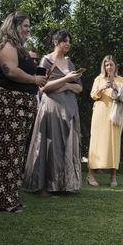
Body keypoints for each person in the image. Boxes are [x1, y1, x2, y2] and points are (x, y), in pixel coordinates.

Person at [0, 13, 45, 212]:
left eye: (30, 26)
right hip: (9, 103)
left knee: (16, 152)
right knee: (6, 150)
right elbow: (10, 70)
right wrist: (34, 80)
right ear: (14, 26)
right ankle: (3, 199)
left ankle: (11, 195)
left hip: (21, 104)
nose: (28, 29)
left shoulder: (18, 47)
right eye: (26, 26)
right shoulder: (6, 45)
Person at [24, 29, 84, 195]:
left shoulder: (69, 63)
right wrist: (65, 79)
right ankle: (46, 185)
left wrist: (66, 86)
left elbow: (79, 87)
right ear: (56, 42)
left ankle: (65, 185)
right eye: (65, 41)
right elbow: (42, 86)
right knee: (51, 146)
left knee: (68, 145)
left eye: (69, 41)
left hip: (70, 108)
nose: (68, 44)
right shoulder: (45, 61)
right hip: (52, 109)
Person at [87, 55, 123, 187]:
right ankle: (91, 175)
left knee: (114, 144)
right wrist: (102, 87)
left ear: (115, 66)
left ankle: (113, 177)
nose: (109, 67)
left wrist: (117, 88)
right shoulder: (99, 79)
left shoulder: (122, 80)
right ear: (103, 66)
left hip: (116, 116)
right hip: (100, 115)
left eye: (111, 64)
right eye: (106, 65)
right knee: (97, 143)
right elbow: (93, 95)